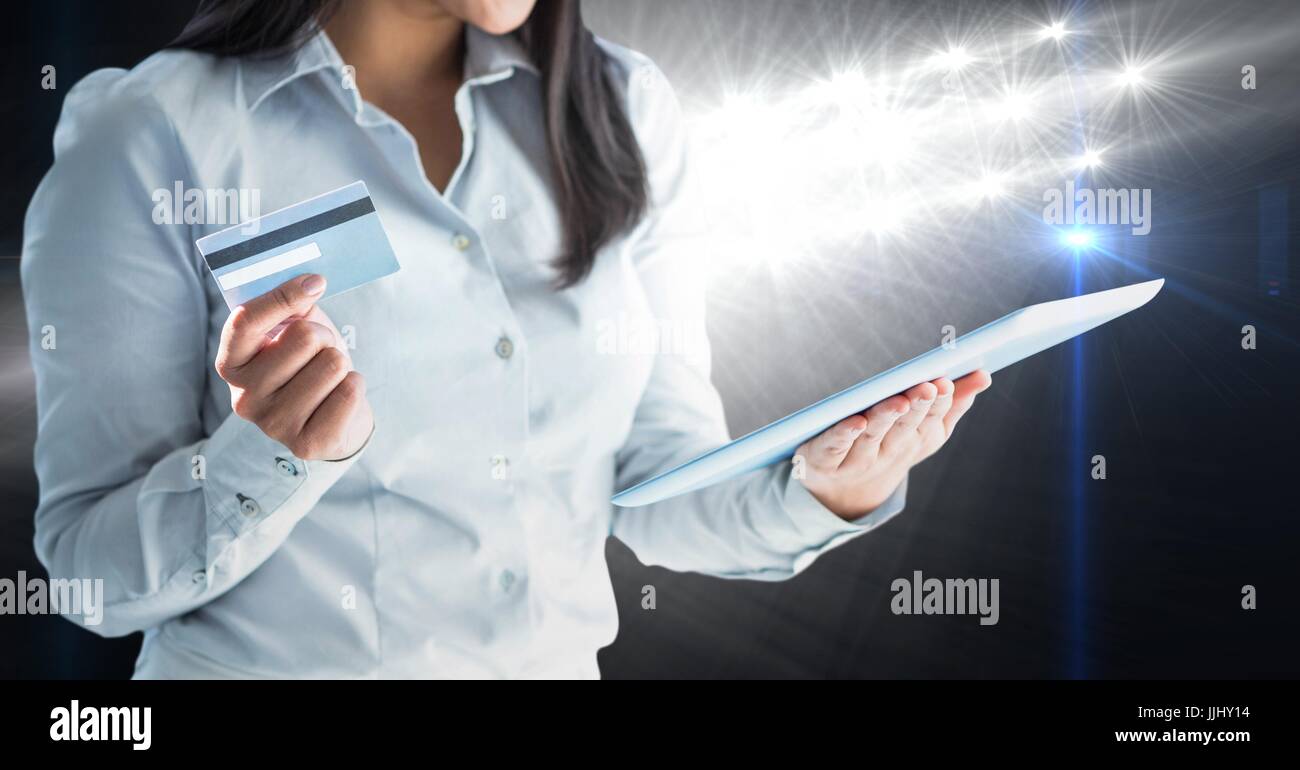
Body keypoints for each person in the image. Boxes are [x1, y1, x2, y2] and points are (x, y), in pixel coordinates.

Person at [21, 0, 991, 678]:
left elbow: (654, 482)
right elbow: (91, 578)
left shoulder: (623, 110)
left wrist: (823, 484)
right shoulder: (157, 132)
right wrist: (269, 455)